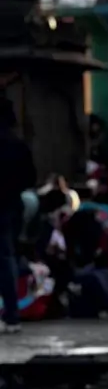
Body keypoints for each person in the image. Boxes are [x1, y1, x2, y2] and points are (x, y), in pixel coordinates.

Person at [0, 100, 36, 333]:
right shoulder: (18, 145)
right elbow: (30, 178)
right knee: (7, 258)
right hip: (12, 206)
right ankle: (12, 315)